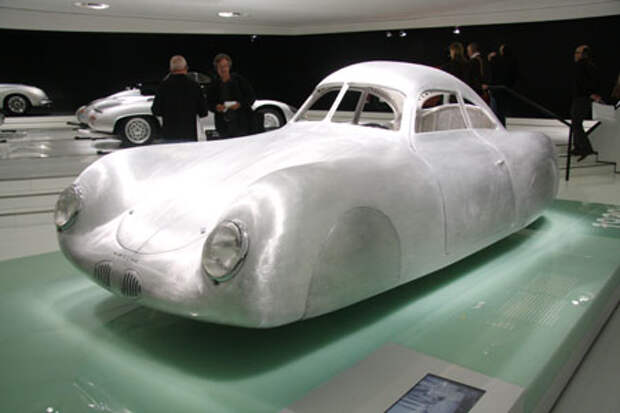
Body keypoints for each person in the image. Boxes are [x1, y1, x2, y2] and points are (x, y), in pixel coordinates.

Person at [151, 55, 208, 141]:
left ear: (170, 69)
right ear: (186, 68)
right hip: (189, 134)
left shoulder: (162, 86)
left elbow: (155, 110)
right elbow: (203, 112)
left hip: (169, 134)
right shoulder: (194, 86)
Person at [207, 53, 257, 139]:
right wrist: (216, 107)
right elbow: (209, 103)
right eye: (220, 67)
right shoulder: (214, 85)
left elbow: (251, 97)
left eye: (225, 66)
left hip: (242, 123)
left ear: (229, 67)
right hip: (223, 125)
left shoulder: (239, 81)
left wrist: (240, 104)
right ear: (216, 68)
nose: (223, 69)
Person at [570, 45, 603, 161]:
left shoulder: (581, 66)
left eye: (577, 52)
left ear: (582, 54)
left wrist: (589, 93)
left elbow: (582, 83)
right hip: (585, 98)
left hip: (581, 98)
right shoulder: (591, 66)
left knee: (576, 123)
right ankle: (578, 147)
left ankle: (584, 148)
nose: (575, 55)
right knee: (576, 122)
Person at [486, 43, 519, 126]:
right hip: (506, 90)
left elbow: (493, 74)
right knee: (502, 111)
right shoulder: (512, 62)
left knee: (496, 111)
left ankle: (497, 126)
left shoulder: (499, 62)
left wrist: (491, 60)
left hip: (497, 90)